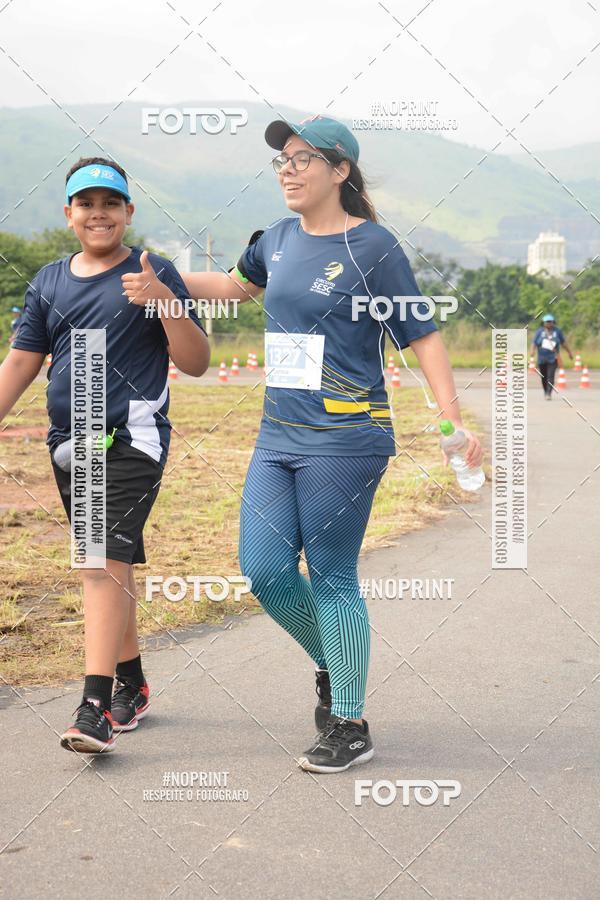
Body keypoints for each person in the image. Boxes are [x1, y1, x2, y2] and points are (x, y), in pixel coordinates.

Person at [178, 114, 484, 773]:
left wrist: (451, 421)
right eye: (281, 161)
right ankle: (330, 660)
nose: (287, 170)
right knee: (262, 568)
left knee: (333, 574)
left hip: (348, 436)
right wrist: (158, 281)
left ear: (340, 172)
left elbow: (421, 335)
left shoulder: (373, 248)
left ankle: (350, 722)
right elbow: (234, 286)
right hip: (277, 435)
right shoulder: (278, 240)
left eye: (302, 160)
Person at [0, 157, 209, 753]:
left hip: (128, 440)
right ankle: (133, 684)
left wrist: (164, 299)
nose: (99, 214)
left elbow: (195, 363)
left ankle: (93, 705)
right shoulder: (48, 282)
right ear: (69, 215)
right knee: (111, 565)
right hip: (69, 443)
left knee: (97, 562)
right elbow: (22, 362)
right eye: (86, 204)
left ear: (128, 213)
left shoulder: (152, 270)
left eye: (110, 204)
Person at [531, 313, 573, 399]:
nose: (549, 323)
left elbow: (563, 343)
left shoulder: (557, 331)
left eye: (550, 322)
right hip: (541, 358)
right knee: (543, 377)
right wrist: (532, 351)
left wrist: (569, 352)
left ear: (553, 322)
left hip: (553, 358)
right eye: (547, 322)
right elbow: (534, 343)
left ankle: (549, 393)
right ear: (543, 323)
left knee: (551, 376)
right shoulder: (539, 332)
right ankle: (545, 391)